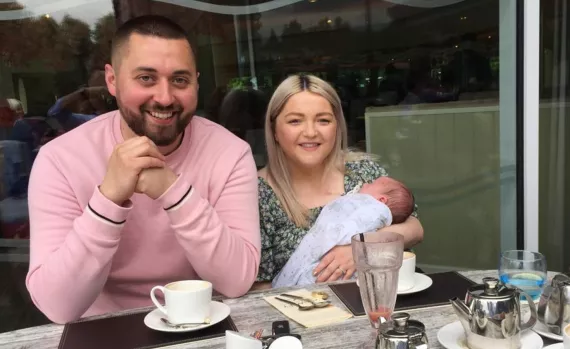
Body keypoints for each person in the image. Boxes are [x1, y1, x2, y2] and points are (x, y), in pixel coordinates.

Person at [26, 15, 260, 324]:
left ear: (196, 83)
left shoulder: (230, 153)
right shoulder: (60, 159)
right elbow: (57, 305)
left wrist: (173, 192)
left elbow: (236, 280)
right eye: (146, 78)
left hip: (202, 323)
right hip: (101, 329)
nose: (164, 97)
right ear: (112, 80)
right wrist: (108, 201)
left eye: (180, 80)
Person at [255, 74, 423, 289]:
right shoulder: (258, 193)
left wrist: (361, 249)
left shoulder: (362, 171)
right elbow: (259, 287)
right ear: (275, 130)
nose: (310, 132)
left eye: (323, 120)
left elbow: (415, 228)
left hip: (375, 301)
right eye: (295, 121)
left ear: (337, 126)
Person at [272, 176, 414, 288]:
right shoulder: (265, 188)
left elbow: (415, 228)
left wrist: (359, 246)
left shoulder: (376, 210)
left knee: (314, 276)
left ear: (381, 200)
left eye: (371, 184)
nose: (365, 184)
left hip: (336, 275)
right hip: (325, 267)